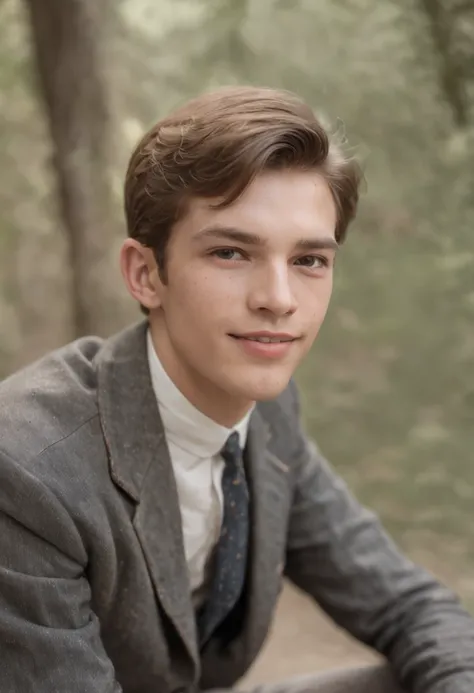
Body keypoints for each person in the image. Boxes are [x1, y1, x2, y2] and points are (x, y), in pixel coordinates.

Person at [0, 86, 473, 693]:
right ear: (145, 274)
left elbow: (410, 607)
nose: (278, 299)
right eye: (231, 252)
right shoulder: (27, 470)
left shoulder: (268, 418)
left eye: (309, 261)